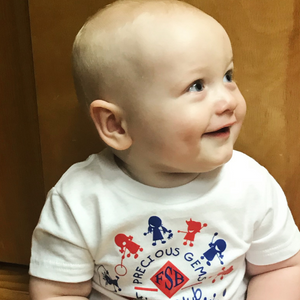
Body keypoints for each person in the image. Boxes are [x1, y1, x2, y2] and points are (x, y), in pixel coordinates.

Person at [29, 0, 300, 299]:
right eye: (196, 86)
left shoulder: (250, 185)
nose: (228, 101)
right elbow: (58, 291)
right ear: (117, 125)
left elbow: (281, 267)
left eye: (228, 76)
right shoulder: (79, 201)